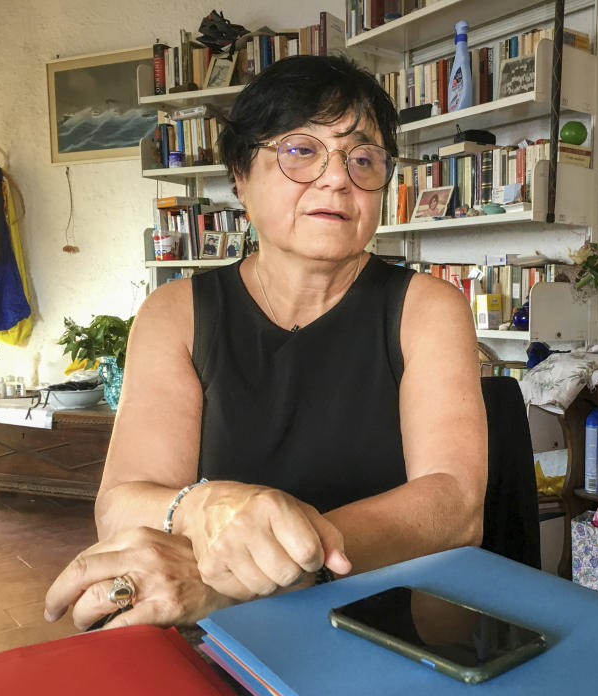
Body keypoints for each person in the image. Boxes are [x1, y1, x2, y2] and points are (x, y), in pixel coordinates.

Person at [44, 55, 487, 630]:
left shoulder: (428, 308)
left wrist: (272, 567)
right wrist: (201, 506)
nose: (336, 178)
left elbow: (454, 504)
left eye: (362, 157)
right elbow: (122, 503)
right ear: (240, 179)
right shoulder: (175, 315)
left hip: (388, 620)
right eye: (301, 151)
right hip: (221, 631)